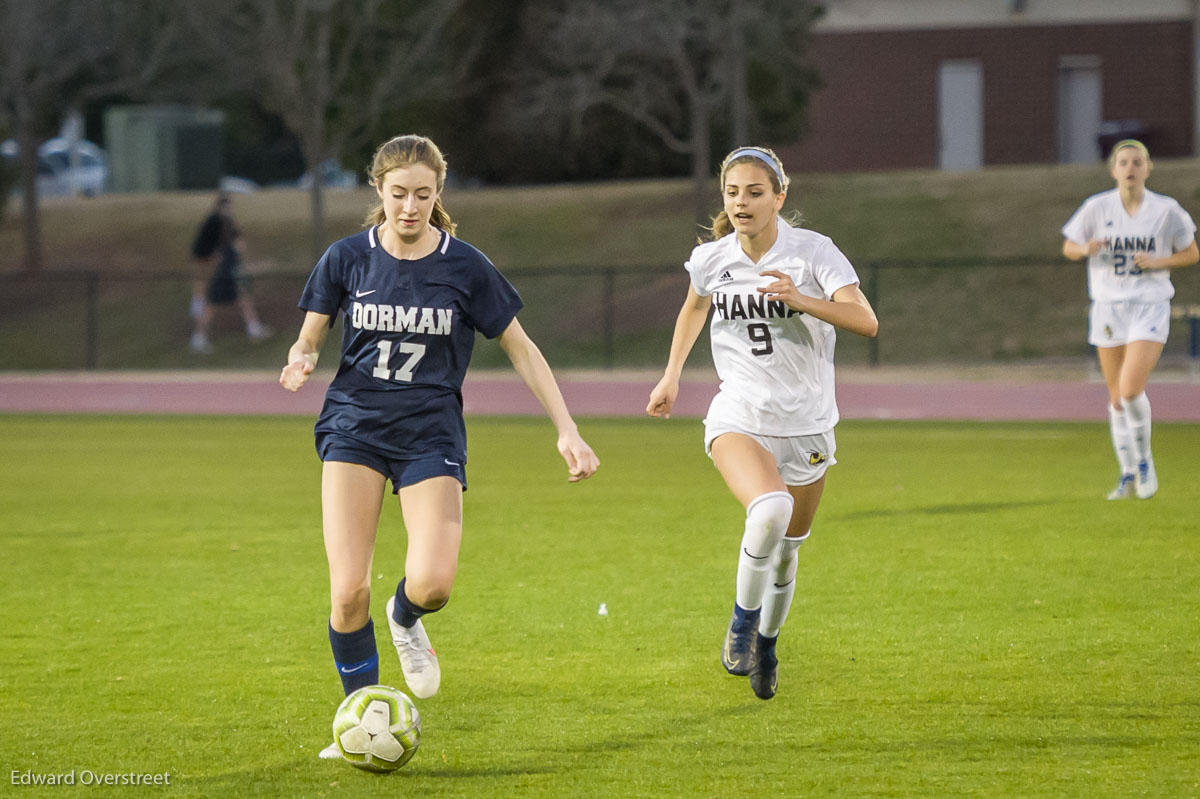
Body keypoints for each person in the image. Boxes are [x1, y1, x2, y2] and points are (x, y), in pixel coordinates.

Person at [279, 134, 599, 758]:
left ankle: (405, 618)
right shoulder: (346, 258)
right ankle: (360, 720)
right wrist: (300, 359)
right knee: (346, 592)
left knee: (433, 584)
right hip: (354, 428)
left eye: (423, 195)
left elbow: (522, 349)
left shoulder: (465, 266)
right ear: (379, 191)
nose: (410, 207)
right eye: (398, 194)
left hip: (430, 433)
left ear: (438, 194)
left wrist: (568, 428)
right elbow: (310, 338)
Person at [646, 146, 878, 700]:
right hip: (740, 414)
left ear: (779, 196)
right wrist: (671, 375)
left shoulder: (813, 253)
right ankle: (741, 624)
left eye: (754, 192)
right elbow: (695, 306)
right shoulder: (712, 258)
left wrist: (802, 300)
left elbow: (865, 321)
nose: (742, 202)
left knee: (789, 547)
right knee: (769, 509)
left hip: (808, 423)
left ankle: (768, 644)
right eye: (733, 193)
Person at [1062, 139, 1198, 500]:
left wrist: (1158, 262)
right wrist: (1084, 249)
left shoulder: (1166, 210)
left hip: (1149, 305)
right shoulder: (1097, 207)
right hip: (1108, 307)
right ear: (1114, 170)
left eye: (1137, 161)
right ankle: (1126, 473)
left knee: (1131, 389)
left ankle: (1145, 461)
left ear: (1148, 168)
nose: (1130, 168)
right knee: (1116, 398)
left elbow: (1191, 253)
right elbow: (1069, 246)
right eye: (1123, 162)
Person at [189, 191, 272, 353]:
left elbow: (238, 242)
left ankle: (254, 328)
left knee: (243, 297)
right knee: (211, 304)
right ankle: (198, 338)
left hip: (228, 271)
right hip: (224, 273)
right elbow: (209, 247)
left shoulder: (227, 226)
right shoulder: (216, 223)